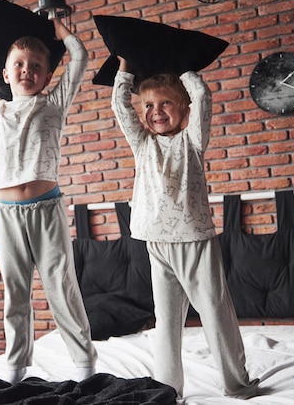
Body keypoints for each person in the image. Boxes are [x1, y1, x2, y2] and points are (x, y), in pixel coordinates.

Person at [0, 19, 97, 384]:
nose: (27, 70)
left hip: (46, 209)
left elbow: (79, 58)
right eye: (19, 64)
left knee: (61, 285)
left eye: (35, 66)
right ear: (6, 73)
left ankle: (85, 366)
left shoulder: (53, 104)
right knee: (15, 292)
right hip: (7, 214)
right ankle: (15, 368)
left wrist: (61, 31)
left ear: (46, 78)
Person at [111, 57, 259, 399]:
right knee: (166, 323)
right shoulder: (142, 144)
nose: (156, 111)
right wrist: (124, 70)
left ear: (183, 108)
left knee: (214, 312)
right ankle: (168, 390)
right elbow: (120, 105)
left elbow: (203, 96)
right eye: (148, 104)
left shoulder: (192, 141)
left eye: (165, 103)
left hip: (194, 241)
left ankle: (238, 384)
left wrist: (184, 66)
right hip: (156, 241)